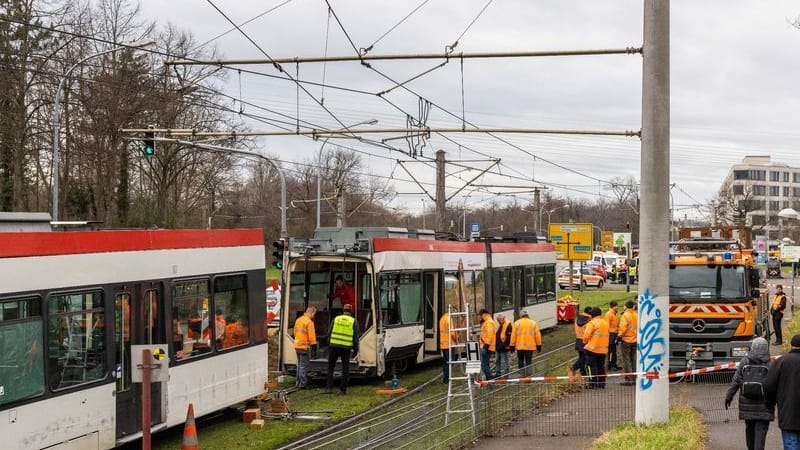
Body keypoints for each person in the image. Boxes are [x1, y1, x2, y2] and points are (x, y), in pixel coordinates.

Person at [725, 337, 774, 450]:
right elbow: (774, 384)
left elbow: (736, 380)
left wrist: (729, 396)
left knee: (749, 430)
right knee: (761, 433)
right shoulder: (770, 364)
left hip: (747, 404)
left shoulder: (745, 361)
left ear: (752, 347)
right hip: (764, 406)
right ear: (766, 348)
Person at [765, 334, 800, 450]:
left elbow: (769, 385)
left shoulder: (781, 361)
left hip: (788, 412)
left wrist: (770, 405)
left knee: (791, 444)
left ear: (791, 345)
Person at [326, 304, 359, 394]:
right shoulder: (353, 321)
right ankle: (342, 390)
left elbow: (329, 332)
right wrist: (356, 349)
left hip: (334, 346)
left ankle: (329, 388)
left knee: (330, 367)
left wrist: (329, 344)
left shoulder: (336, 319)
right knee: (345, 368)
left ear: (343, 310)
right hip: (346, 348)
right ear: (351, 311)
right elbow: (356, 337)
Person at [583, 307, 609, 388]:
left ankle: (592, 383)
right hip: (603, 349)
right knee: (601, 366)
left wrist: (584, 342)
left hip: (592, 349)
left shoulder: (592, 323)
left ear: (592, 314)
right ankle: (602, 383)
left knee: (591, 366)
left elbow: (586, 336)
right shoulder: (605, 323)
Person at [511, 310, 542, 377]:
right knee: (529, 361)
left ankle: (521, 374)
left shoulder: (517, 323)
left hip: (520, 346)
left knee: (520, 360)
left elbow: (513, 335)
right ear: (528, 315)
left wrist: (512, 346)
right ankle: (529, 375)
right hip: (530, 346)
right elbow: (537, 335)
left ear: (520, 315)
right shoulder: (533, 323)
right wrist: (539, 345)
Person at [293, 306, 317, 389]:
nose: (314, 316)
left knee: (299, 365)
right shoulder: (309, 322)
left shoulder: (298, 320)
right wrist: (314, 347)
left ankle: (298, 382)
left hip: (297, 345)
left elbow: (295, 332)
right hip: (304, 347)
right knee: (303, 366)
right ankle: (303, 384)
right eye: (314, 314)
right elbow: (312, 337)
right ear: (312, 312)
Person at [617, 300, 638, 385]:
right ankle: (635, 378)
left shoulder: (625, 315)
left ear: (626, 306)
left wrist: (619, 336)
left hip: (626, 340)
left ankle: (629, 379)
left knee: (626, 360)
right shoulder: (636, 314)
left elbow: (623, 328)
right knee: (634, 359)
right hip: (635, 340)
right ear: (633, 306)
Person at [568, 306, 593, 378]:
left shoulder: (577, 318)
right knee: (585, 358)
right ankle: (574, 367)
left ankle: (583, 373)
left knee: (581, 357)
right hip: (585, 340)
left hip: (578, 339)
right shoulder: (589, 321)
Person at [439, 310, 458, 384]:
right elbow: (452, 333)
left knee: (446, 362)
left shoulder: (442, 318)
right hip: (449, 344)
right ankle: (447, 380)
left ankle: (445, 379)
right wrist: (456, 340)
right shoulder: (449, 319)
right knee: (450, 362)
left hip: (443, 345)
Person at [479, 309, 497, 381]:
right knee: (485, 363)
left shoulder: (489, 322)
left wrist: (485, 347)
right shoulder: (487, 322)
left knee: (484, 364)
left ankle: (489, 378)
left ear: (484, 314)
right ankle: (489, 377)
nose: (480, 317)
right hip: (486, 346)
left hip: (486, 347)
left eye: (481, 315)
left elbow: (489, 335)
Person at [605, 301, 621, 371]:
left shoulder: (614, 314)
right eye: (616, 306)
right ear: (613, 307)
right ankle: (610, 365)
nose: (618, 307)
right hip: (611, 334)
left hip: (614, 334)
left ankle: (614, 364)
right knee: (611, 351)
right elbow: (607, 326)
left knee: (614, 350)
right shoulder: (609, 314)